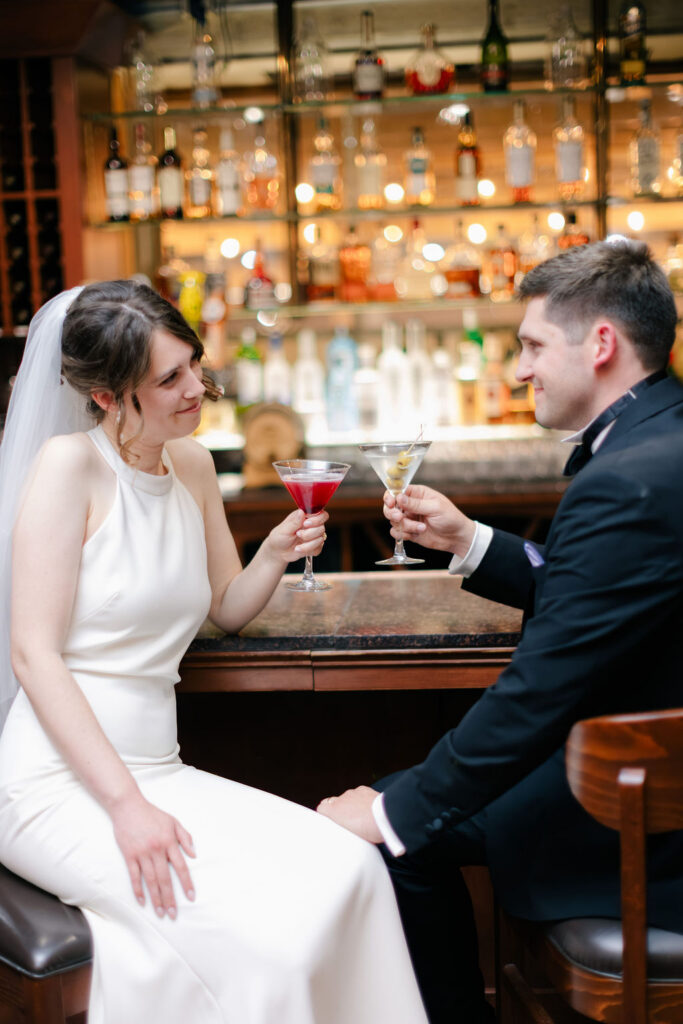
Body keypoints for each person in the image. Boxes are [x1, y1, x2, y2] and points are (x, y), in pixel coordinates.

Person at [0, 281, 428, 1024]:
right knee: (270, 940)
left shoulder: (191, 464)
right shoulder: (70, 467)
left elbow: (226, 607)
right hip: (53, 786)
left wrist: (270, 554)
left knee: (353, 867)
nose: (198, 386)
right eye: (169, 379)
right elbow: (33, 655)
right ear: (106, 396)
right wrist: (126, 807)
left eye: (193, 364)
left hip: (162, 771)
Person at [318, 240, 683, 1024]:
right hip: (639, 771)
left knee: (384, 837)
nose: (519, 369)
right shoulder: (660, 438)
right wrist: (470, 542)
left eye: (530, 345)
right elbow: (608, 592)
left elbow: (541, 690)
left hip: (639, 816)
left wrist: (394, 814)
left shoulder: (625, 478)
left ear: (600, 344)